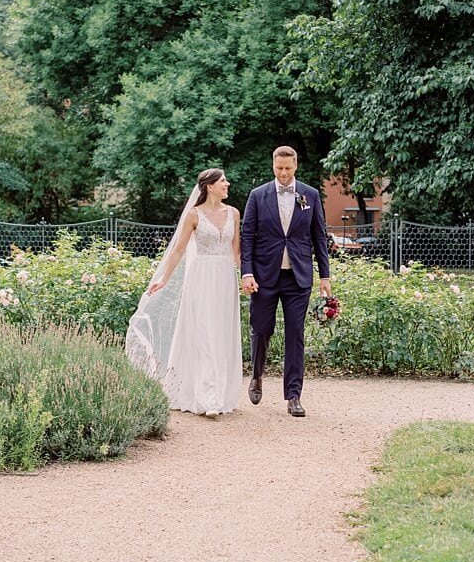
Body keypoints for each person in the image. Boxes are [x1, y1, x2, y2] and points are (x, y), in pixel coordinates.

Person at [125, 168, 243, 417]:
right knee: (204, 333)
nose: (227, 184)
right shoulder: (194, 215)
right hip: (200, 279)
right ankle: (207, 398)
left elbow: (237, 252)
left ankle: (221, 394)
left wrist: (248, 277)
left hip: (224, 280)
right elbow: (178, 251)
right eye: (223, 181)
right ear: (209, 186)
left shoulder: (234, 213)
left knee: (221, 332)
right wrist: (163, 280)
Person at [240, 146, 330, 417]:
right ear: (273, 166)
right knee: (262, 329)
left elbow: (319, 237)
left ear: (296, 166)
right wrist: (247, 272)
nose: (283, 173)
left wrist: (325, 275)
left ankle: (293, 395)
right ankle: (256, 375)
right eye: (279, 168)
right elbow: (247, 237)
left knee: (295, 334)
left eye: (288, 168)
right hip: (265, 276)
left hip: (298, 277)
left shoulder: (310, 195)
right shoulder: (258, 196)